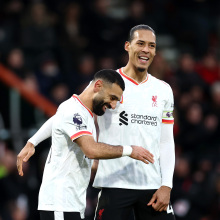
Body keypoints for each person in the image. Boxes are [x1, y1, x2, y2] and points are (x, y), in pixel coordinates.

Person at [18, 24, 176, 220]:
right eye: (140, 43)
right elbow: (67, 114)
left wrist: (166, 184)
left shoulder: (163, 91)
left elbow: (167, 141)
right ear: (128, 46)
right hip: (113, 184)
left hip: (152, 185)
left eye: (151, 46)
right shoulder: (109, 84)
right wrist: (33, 141)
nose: (146, 50)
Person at [17, 69, 154, 220]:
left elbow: (57, 119)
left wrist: (32, 142)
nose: (114, 105)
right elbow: (90, 150)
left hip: (71, 204)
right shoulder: (75, 111)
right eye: (112, 98)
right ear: (98, 86)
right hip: (61, 204)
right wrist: (130, 150)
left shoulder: (81, 111)